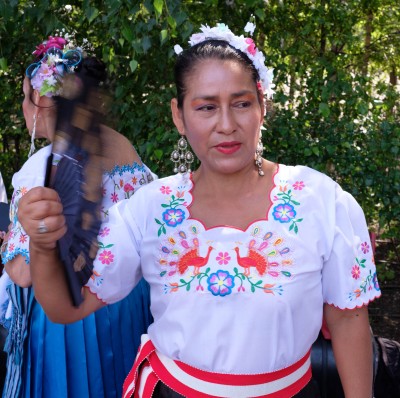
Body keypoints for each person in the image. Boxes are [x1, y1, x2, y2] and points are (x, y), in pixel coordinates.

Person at [17, 23, 381, 398]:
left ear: (262, 107)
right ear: (179, 115)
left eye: (241, 104)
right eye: (206, 107)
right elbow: (65, 308)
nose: (226, 125)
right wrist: (44, 246)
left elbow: (348, 319)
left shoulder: (320, 201)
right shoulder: (150, 209)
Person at [0, 33, 154, 397]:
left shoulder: (41, 168)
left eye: (24, 98)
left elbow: (23, 274)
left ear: (39, 103)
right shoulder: (125, 148)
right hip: (129, 303)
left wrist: (8, 250)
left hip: (68, 317)